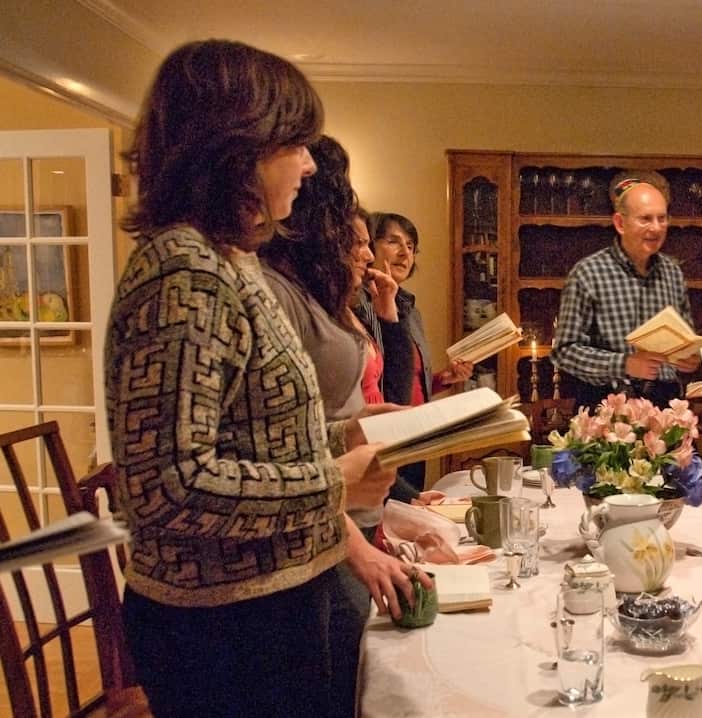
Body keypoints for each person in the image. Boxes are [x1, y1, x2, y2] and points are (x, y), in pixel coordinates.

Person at [105, 40, 396, 717]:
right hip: (223, 628)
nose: (306, 163)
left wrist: (340, 432)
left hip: (269, 601)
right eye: (293, 143)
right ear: (237, 148)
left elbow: (253, 430)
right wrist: (335, 479)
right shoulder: (185, 272)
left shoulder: (230, 261)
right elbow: (168, 487)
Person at [259, 136, 417, 715]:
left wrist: (350, 435)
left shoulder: (297, 289)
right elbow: (188, 479)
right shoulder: (263, 287)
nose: (367, 254)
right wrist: (336, 474)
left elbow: (295, 433)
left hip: (331, 532)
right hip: (296, 554)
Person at [551, 171, 701, 409]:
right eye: (646, 219)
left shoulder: (673, 273)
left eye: (662, 219)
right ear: (620, 223)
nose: (656, 228)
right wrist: (624, 364)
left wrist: (690, 359)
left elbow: (686, 340)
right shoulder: (588, 273)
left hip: (665, 404)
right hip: (605, 404)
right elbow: (564, 352)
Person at [356, 211, 473, 495]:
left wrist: (445, 379)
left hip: (414, 433)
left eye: (410, 246)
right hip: (379, 434)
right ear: (371, 246)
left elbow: (407, 376)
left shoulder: (409, 308)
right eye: (394, 242)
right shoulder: (359, 304)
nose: (404, 253)